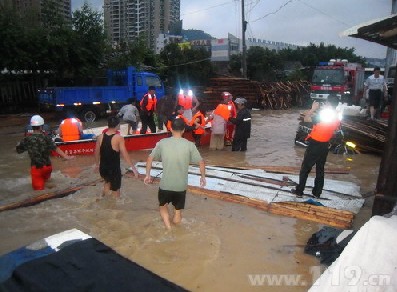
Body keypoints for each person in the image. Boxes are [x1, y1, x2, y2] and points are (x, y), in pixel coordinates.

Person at [144, 118, 206, 230]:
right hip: (180, 186)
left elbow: (150, 158)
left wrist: (147, 175)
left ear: (171, 129)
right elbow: (201, 162)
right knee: (178, 212)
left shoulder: (162, 142)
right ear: (183, 130)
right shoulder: (190, 145)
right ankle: (177, 229)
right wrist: (202, 177)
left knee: (163, 206)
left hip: (165, 185)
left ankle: (168, 228)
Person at [293, 97, 341, 199]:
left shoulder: (324, 115)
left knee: (305, 169)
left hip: (315, 144)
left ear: (328, 103)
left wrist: (313, 109)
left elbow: (306, 119)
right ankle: (317, 193)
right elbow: (335, 129)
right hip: (324, 145)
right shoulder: (336, 116)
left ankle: (299, 191)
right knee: (320, 169)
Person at [16, 115, 74, 190]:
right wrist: (66, 156)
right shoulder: (46, 137)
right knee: (47, 182)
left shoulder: (27, 139)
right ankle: (56, 189)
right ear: (41, 127)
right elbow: (55, 148)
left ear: (31, 126)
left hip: (36, 168)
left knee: (38, 192)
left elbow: (19, 151)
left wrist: (18, 145)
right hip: (48, 167)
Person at [95, 116, 139, 198]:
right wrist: (133, 168)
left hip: (103, 168)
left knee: (107, 183)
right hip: (113, 169)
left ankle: (101, 200)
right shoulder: (119, 138)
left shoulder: (100, 137)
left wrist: (97, 165)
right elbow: (125, 154)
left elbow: (96, 152)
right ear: (117, 125)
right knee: (116, 190)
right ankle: (115, 210)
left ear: (108, 125)